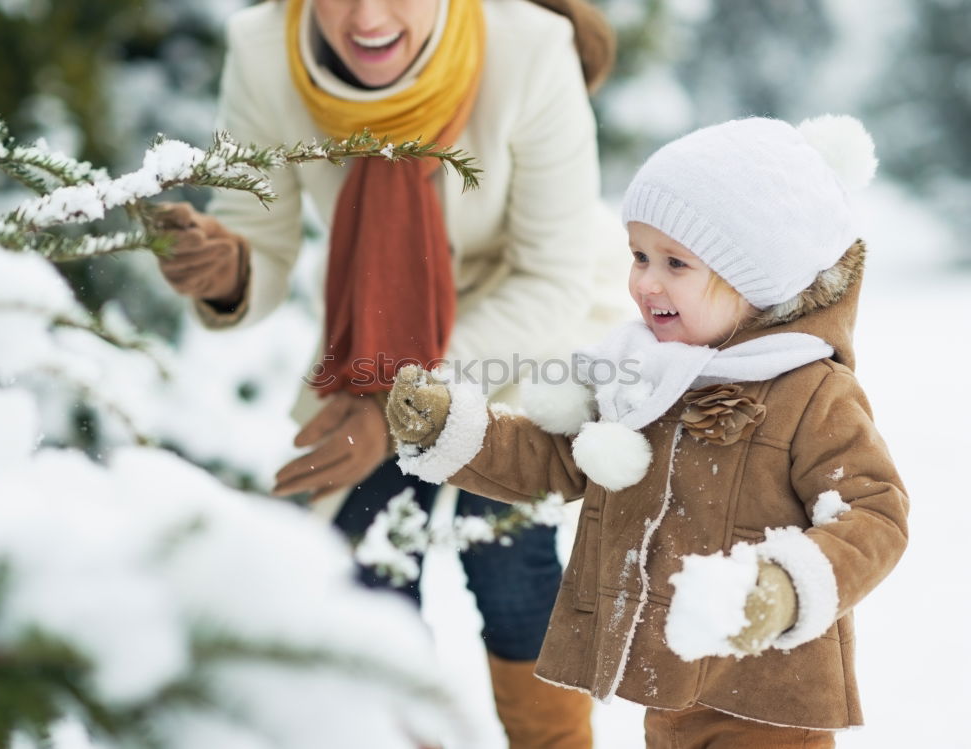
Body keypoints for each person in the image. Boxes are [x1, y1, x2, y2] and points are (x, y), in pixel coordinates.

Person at [153, 0, 631, 745]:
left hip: (523, 331)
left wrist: (398, 410)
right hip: (374, 328)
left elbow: (550, 281)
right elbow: (261, 236)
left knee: (503, 550)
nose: (367, 15)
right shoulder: (261, 50)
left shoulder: (533, 49)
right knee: (364, 565)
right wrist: (230, 268)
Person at [385, 115, 910, 747]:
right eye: (638, 256)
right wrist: (453, 429)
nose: (645, 283)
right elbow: (555, 460)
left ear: (757, 276)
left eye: (674, 263)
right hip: (671, 684)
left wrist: (784, 587)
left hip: (772, 696)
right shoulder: (644, 373)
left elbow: (875, 514)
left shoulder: (810, 390)